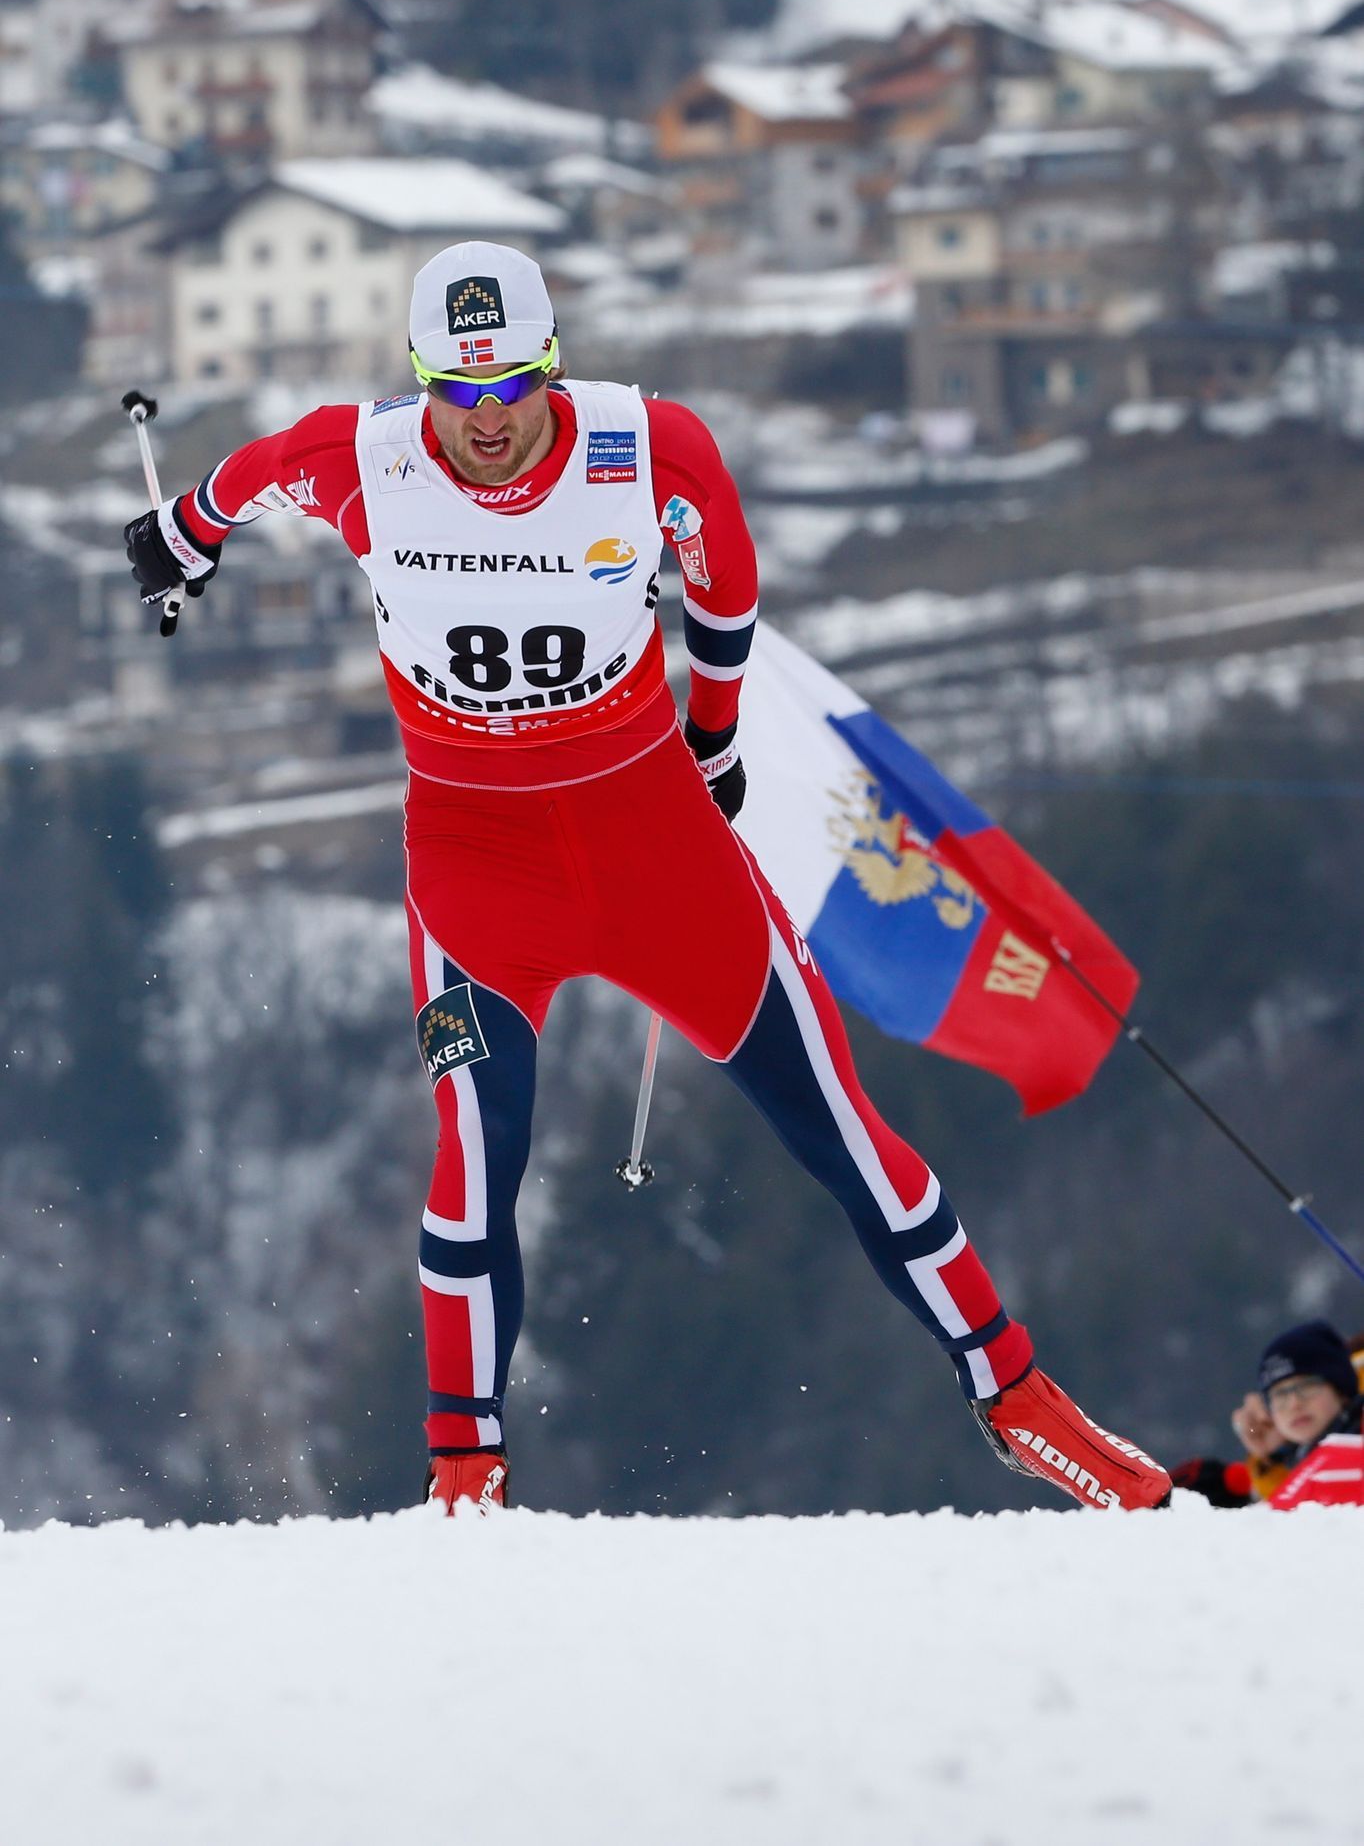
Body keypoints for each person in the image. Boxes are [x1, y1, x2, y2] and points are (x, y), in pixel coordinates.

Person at [123, 241, 1171, 1516]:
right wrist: (182, 535)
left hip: (655, 849)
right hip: (475, 868)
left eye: (513, 384)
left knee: (838, 1128)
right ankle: (465, 1475)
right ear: (421, 387)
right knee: (474, 1147)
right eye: (460, 392)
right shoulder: (363, 458)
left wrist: (716, 730)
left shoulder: (648, 449)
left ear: (552, 366)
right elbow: (240, 480)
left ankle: (1018, 1401)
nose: (490, 418)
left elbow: (725, 590)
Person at [1230, 1319, 1363, 1510]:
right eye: (1280, 1395)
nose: (1294, 1404)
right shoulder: (1297, 1456)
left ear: (1340, 1390)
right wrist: (1272, 1459)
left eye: (1307, 1386)